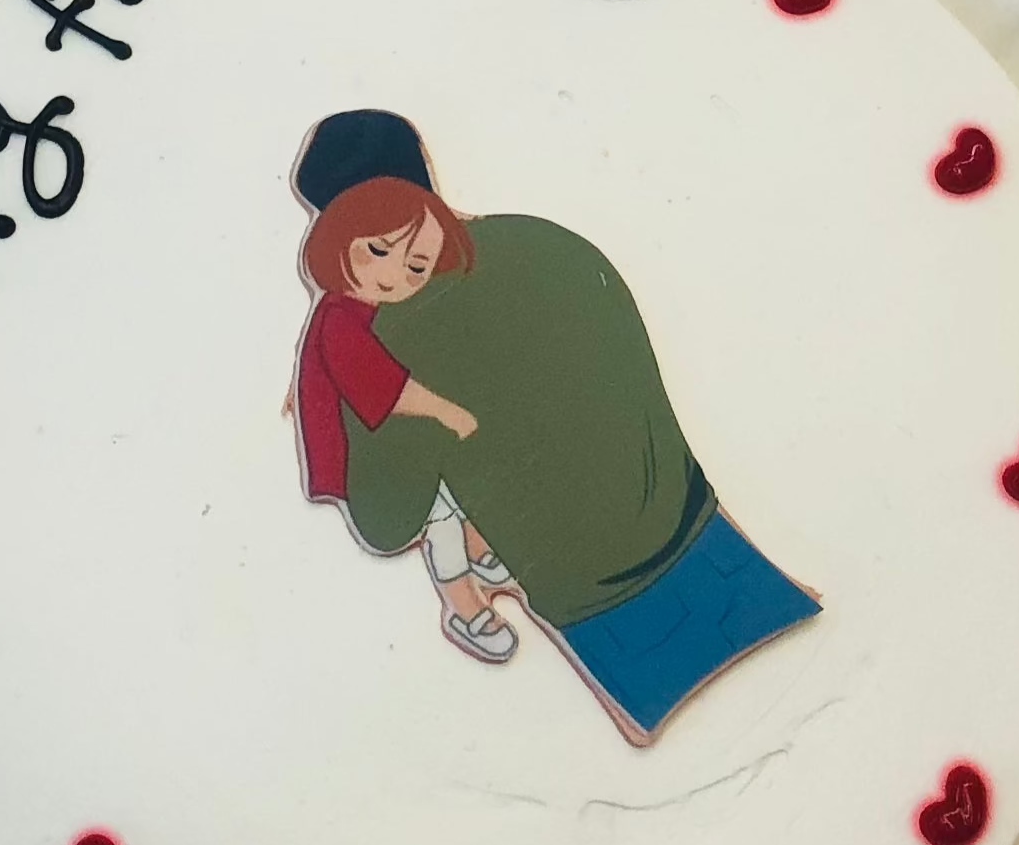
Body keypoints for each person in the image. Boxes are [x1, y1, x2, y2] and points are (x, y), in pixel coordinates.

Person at [287, 109, 821, 742]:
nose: (401, 270)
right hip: (698, 527)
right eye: (380, 252)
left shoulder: (382, 334)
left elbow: (387, 517)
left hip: (599, 606)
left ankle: (469, 595)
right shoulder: (544, 240)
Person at [291, 162, 521, 662]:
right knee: (438, 515)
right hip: (370, 459)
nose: (393, 274)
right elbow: (388, 390)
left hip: (398, 441)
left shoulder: (375, 310)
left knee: (459, 482)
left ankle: (480, 549)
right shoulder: (339, 319)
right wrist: (445, 411)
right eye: (377, 251)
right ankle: (464, 607)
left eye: (415, 267)